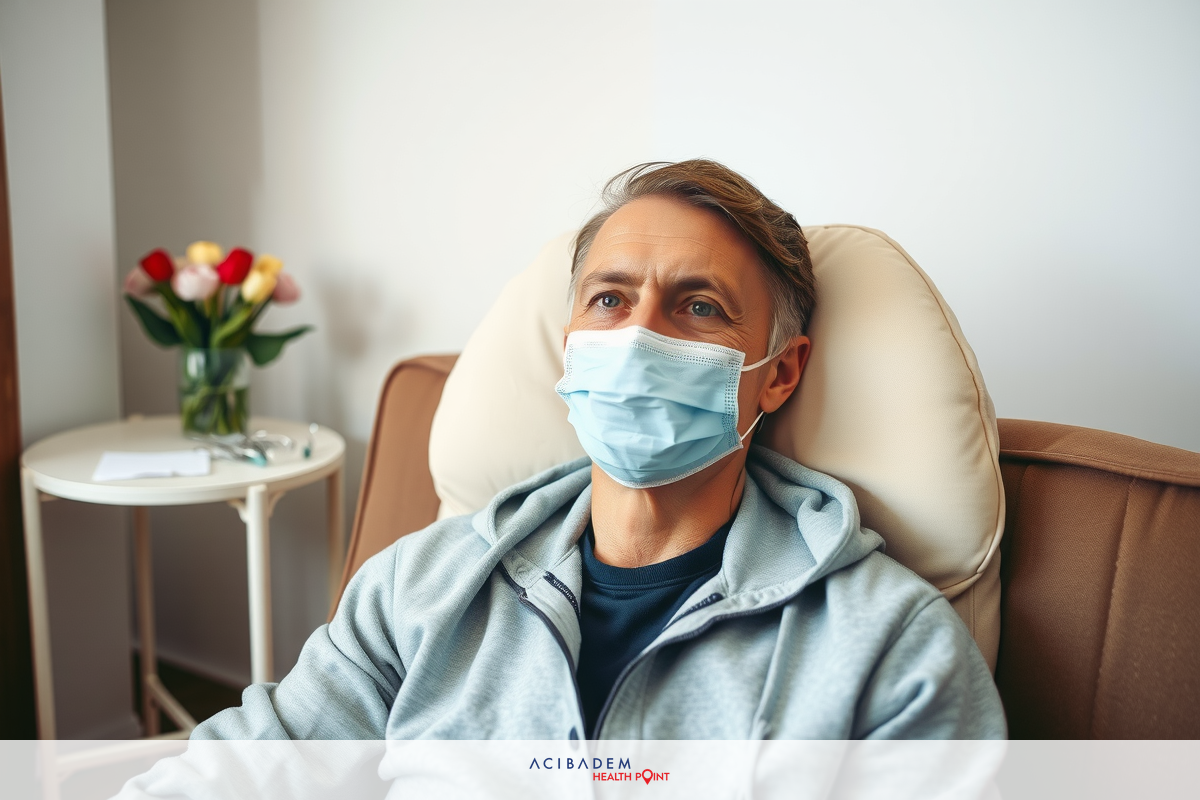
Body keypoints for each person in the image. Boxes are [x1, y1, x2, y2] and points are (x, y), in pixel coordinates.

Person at [163, 160, 1006, 742]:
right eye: (609, 299)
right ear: (570, 347)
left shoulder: (891, 649)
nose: (637, 334)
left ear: (779, 374)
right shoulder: (414, 592)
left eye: (699, 307)